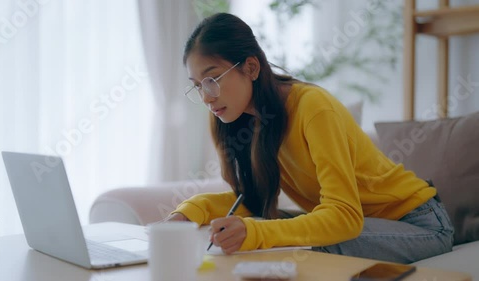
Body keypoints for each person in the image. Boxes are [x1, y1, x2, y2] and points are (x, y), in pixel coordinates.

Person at [165, 12, 454, 264]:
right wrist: (191, 212)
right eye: (197, 86)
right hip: (361, 224)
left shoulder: (312, 107)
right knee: (259, 228)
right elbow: (254, 200)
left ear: (251, 68)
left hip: (420, 225)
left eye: (212, 80)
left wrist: (256, 232)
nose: (205, 97)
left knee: (296, 241)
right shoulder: (242, 121)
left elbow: (343, 216)